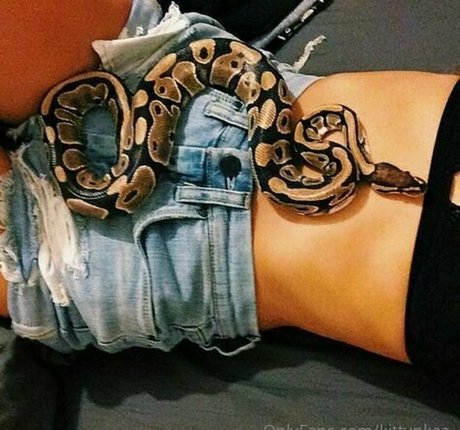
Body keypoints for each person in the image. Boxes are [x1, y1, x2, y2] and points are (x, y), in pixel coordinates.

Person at [0, 0, 458, 381]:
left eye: (405, 186)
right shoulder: (338, 146)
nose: (409, 188)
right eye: (407, 184)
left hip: (122, 247)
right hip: (180, 68)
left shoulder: (339, 150)